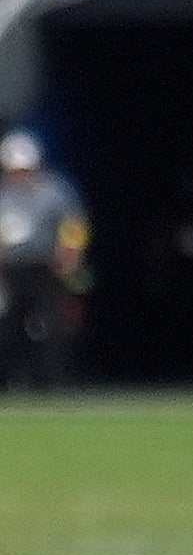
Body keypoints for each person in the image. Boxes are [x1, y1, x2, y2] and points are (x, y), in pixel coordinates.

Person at [0, 131, 87, 389]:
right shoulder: (3, 196)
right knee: (10, 325)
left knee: (53, 325)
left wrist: (70, 255)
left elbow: (74, 224)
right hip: (12, 270)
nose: (21, 175)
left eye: (26, 169)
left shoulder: (54, 191)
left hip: (47, 268)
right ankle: (14, 380)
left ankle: (53, 384)